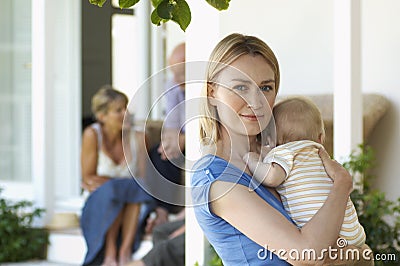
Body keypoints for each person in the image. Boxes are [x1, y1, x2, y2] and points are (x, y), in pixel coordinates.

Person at [191, 33, 373, 265]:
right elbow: (308, 254)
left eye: (265, 87)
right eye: (240, 87)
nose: (256, 102)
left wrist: (360, 254)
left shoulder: (281, 152)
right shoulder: (216, 179)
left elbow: (353, 248)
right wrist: (342, 185)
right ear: (212, 93)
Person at [243, 96, 366, 248]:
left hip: (324, 237)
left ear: (273, 140)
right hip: (354, 234)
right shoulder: (320, 154)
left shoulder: (284, 152)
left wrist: (253, 160)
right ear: (320, 138)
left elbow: (272, 177)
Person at [80, 85, 152, 266]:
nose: (125, 113)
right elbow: (87, 178)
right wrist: (118, 185)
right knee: (117, 191)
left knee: (131, 191)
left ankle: (124, 251)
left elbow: (143, 181)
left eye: (126, 108)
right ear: (102, 116)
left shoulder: (139, 137)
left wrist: (119, 186)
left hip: (134, 203)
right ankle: (110, 252)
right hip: (101, 200)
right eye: (118, 110)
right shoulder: (92, 135)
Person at [145, 43, 186, 233]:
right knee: (159, 154)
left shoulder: (209, 86)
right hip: (182, 138)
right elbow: (171, 123)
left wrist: (184, 141)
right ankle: (161, 211)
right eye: (174, 73)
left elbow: (212, 127)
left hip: (205, 140)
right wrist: (171, 142)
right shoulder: (173, 84)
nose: (176, 79)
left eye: (181, 73)